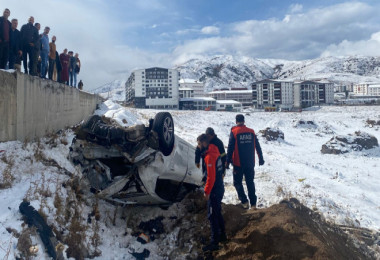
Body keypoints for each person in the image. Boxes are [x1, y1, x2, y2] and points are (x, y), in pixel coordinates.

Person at [226, 114, 264, 210]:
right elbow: (257, 146)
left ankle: (244, 201)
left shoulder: (234, 132)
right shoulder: (251, 132)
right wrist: (261, 158)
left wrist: (227, 162)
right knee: (250, 182)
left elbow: (230, 148)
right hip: (250, 163)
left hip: (238, 163)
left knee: (237, 182)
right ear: (244, 121)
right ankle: (254, 204)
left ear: (236, 121)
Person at [197, 134, 226, 252]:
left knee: (212, 215)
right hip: (219, 188)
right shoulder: (215, 150)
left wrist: (207, 191)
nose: (198, 147)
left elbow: (211, 177)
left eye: (199, 144)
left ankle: (215, 242)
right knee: (217, 212)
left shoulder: (209, 157)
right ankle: (223, 236)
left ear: (204, 143)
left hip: (214, 190)